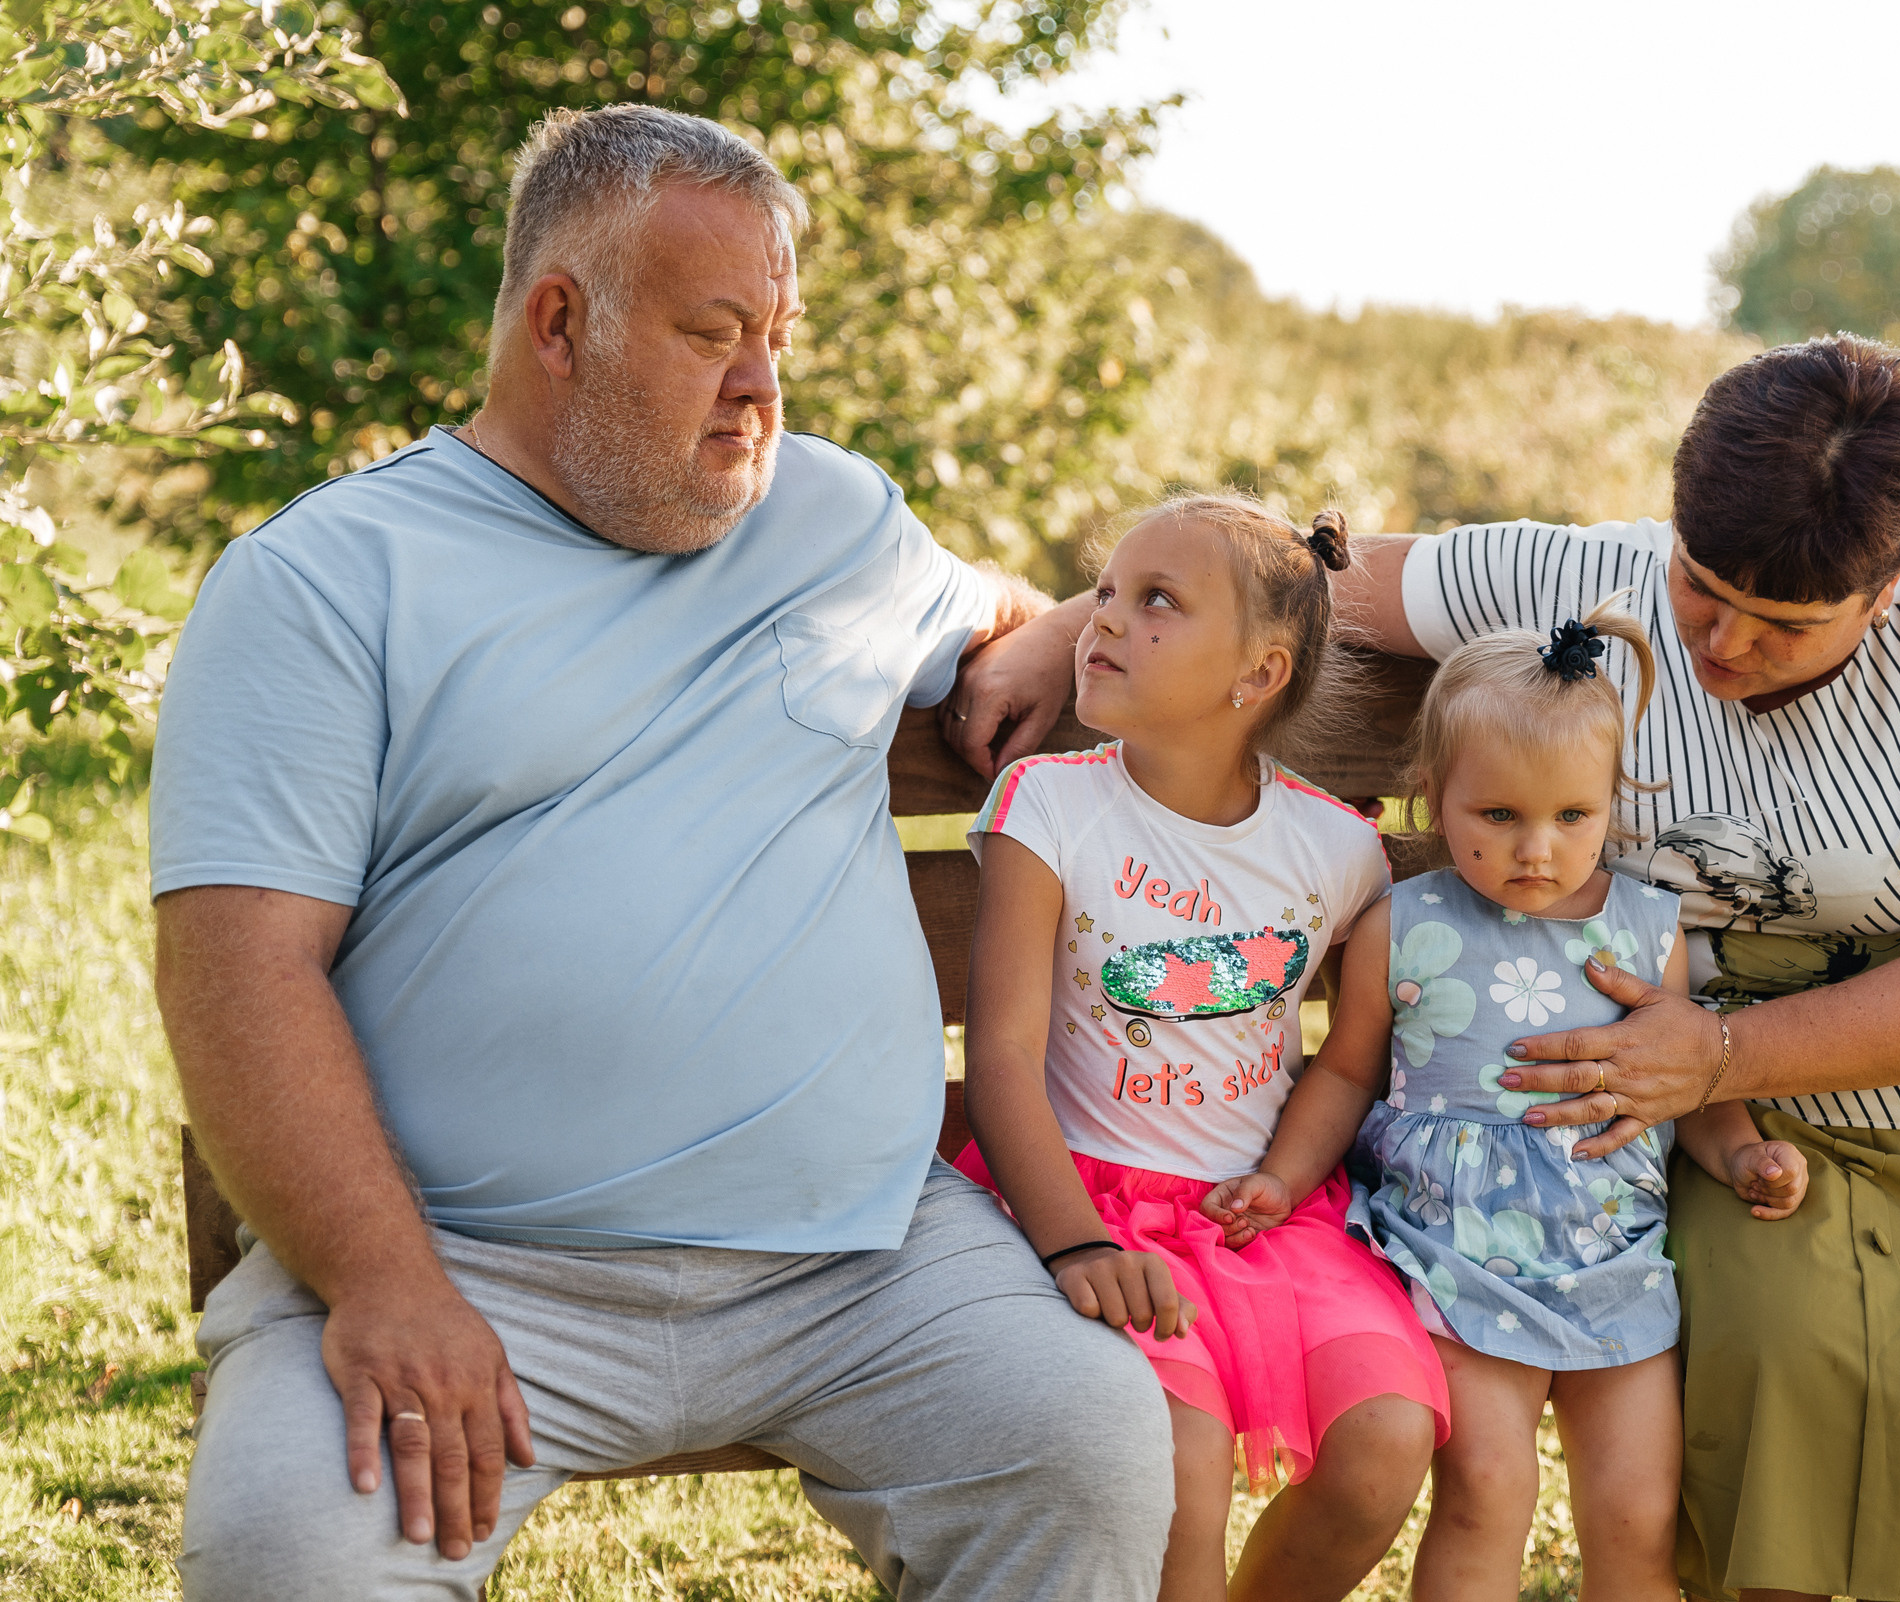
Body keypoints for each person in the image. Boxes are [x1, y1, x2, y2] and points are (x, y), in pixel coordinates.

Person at [947, 336, 1900, 1602]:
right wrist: (1080, 622)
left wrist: (1718, 1054)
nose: (1720, 646)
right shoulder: (1579, 577)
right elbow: (1297, 575)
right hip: (1748, 1140)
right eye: (1700, 592)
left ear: (1887, 588)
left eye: (1781, 624)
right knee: (1785, 1362)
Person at [152, 105, 1171, 1601]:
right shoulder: (321, 585)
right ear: (559, 322)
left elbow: (993, 610)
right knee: (288, 1558)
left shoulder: (832, 515)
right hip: (465, 1262)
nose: (762, 384)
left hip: (860, 1261)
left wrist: (1060, 630)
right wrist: (382, 1281)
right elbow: (236, 968)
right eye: (714, 333)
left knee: (1077, 1442)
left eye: (778, 333)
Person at [1214, 597, 1807, 1602]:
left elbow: (1688, 1082)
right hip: (1458, 1260)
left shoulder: (1643, 930)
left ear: (1609, 805)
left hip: (1612, 1255)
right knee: (1488, 1489)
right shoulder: (1402, 925)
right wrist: (1281, 1175)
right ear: (1433, 797)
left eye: (1571, 817)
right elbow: (1348, 1072)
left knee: (1635, 1510)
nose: (1538, 849)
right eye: (1499, 817)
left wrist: (1743, 1152)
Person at [958, 495, 1447, 1602]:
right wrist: (1076, 1244)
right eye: (1107, 594)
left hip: (1263, 1217)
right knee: (1175, 1467)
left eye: (1157, 602)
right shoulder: (1049, 807)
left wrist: (1283, 1179)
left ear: (1258, 674)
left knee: (1387, 1440)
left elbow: (1348, 1060)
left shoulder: (1336, 848)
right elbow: (1000, 1060)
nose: (1105, 622)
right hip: (1086, 1199)